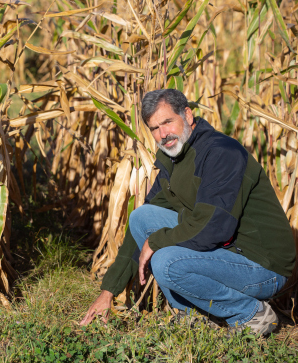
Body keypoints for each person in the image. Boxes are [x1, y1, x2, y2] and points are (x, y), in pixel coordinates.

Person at [80, 89, 296, 335]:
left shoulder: (222, 153)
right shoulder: (174, 159)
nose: (163, 134)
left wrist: (157, 241)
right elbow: (143, 225)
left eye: (168, 122)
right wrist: (108, 292)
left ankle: (250, 314)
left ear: (188, 115)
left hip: (262, 264)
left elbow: (214, 227)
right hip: (227, 251)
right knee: (141, 217)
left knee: (167, 263)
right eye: (154, 128)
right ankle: (193, 316)